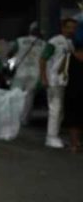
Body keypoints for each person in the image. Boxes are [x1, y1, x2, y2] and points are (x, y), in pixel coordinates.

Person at [40, 18, 76, 148]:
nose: (72, 30)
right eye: (69, 27)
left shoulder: (70, 43)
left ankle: (56, 135)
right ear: (63, 28)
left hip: (63, 81)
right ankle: (51, 137)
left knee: (60, 110)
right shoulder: (54, 42)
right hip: (53, 80)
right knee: (55, 109)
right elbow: (43, 59)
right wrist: (44, 78)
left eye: (74, 27)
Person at [8, 22, 45, 124]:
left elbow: (10, 53)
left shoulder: (20, 40)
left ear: (30, 30)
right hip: (34, 74)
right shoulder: (43, 44)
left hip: (20, 72)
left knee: (15, 94)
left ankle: (14, 117)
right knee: (29, 97)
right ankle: (24, 119)